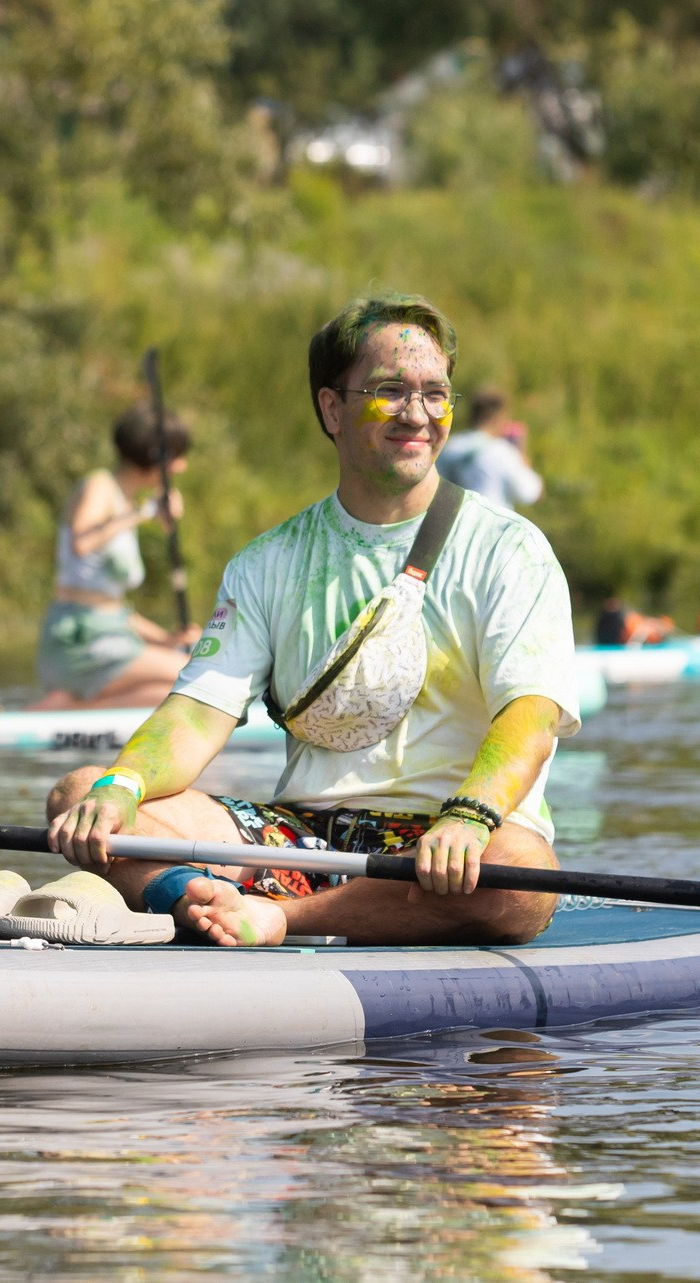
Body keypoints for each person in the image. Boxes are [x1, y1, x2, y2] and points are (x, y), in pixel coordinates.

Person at [31, 293, 581, 948]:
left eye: (436, 394)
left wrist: (469, 815)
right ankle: (196, 897)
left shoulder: (511, 549)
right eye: (390, 391)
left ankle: (277, 919)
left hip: (451, 841)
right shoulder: (268, 561)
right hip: (298, 838)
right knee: (79, 794)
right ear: (332, 408)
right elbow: (196, 716)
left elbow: (530, 714)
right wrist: (122, 784)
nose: (418, 414)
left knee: (523, 875)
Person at [32, 405, 203, 709]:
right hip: (78, 643)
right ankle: (64, 709)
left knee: (171, 691)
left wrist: (165, 639)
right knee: (196, 673)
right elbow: (82, 540)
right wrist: (147, 511)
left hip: (108, 634)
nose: (181, 466)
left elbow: (110, 608)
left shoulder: (125, 502)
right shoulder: (101, 486)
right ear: (155, 457)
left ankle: (69, 710)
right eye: (176, 457)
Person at [436, 386, 542, 509]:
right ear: (498, 417)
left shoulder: (451, 445)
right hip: (490, 520)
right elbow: (528, 493)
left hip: (452, 518)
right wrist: (522, 459)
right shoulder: (500, 450)